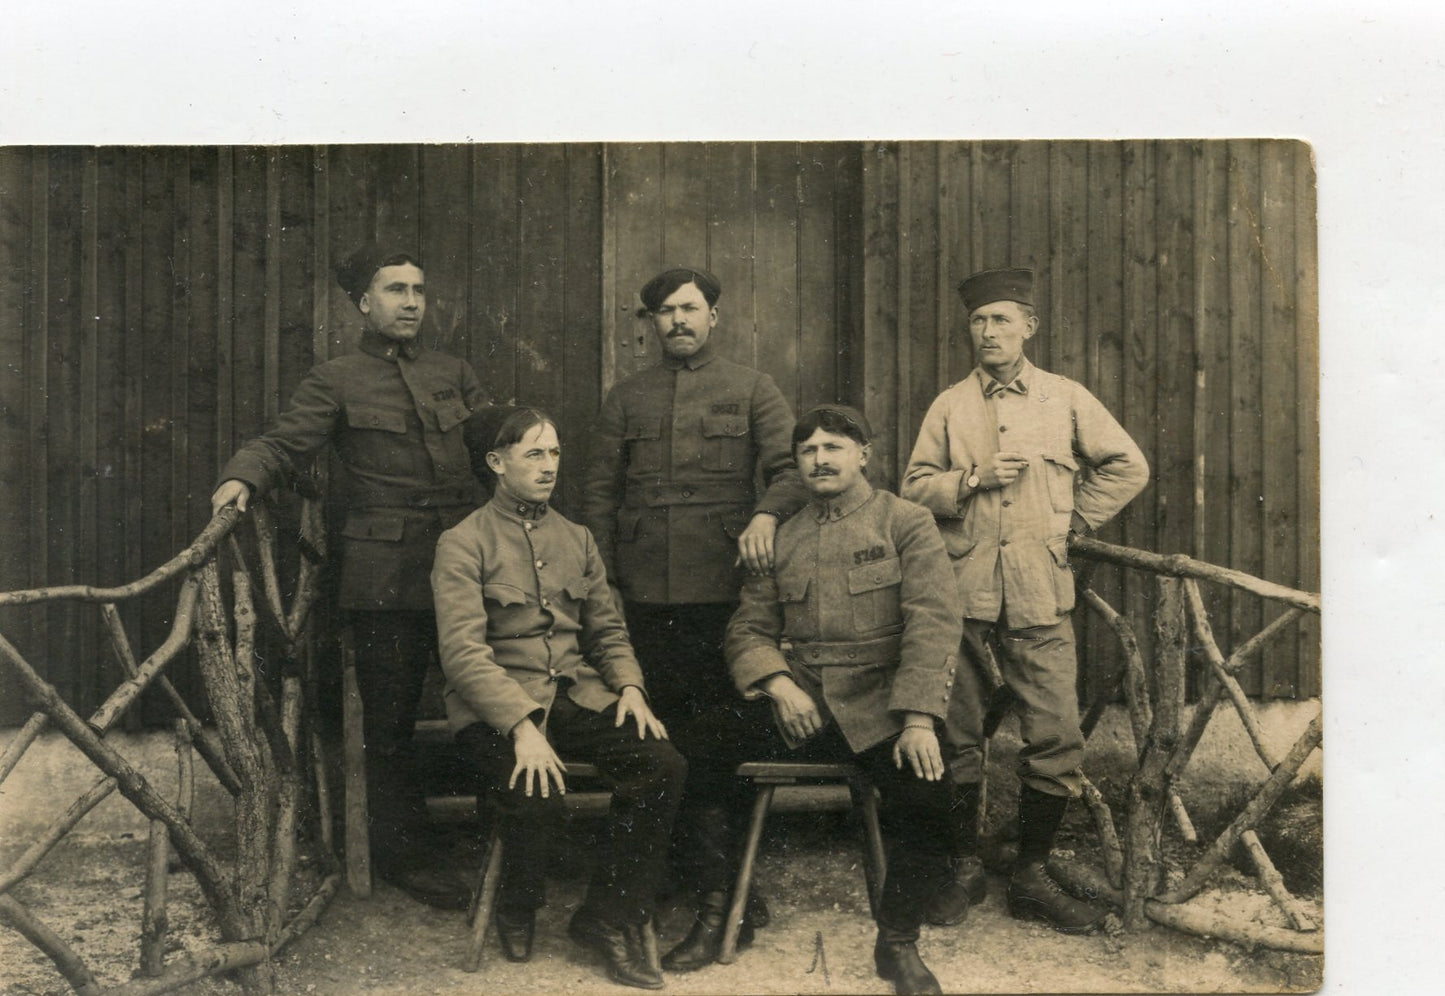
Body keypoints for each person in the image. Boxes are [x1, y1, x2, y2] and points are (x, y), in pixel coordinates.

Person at [210, 245, 484, 909]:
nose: (410, 301)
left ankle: (508, 829)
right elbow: (283, 442)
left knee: (495, 693)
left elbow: (498, 445)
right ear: (364, 303)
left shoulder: (454, 373)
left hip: (467, 565)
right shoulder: (336, 379)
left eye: (418, 289)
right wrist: (241, 476)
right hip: (385, 572)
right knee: (388, 721)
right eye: (394, 290)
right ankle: (404, 853)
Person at [902, 267, 1149, 934]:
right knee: (955, 739)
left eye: (1001, 320)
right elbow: (913, 488)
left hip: (1040, 597)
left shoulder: (1065, 399)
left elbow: (1127, 465)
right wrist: (973, 478)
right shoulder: (951, 406)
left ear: (1028, 327)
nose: (987, 332)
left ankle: (1032, 874)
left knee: (1055, 738)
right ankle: (960, 866)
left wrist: (1074, 522)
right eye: (978, 322)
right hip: (964, 599)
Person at [582, 265, 809, 967]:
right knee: (664, 744)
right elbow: (598, 497)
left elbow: (792, 469)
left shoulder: (751, 388)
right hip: (645, 602)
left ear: (713, 316)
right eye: (664, 312)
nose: (678, 321)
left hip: (724, 598)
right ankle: (689, 877)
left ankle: (726, 891)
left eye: (690, 308)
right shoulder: (627, 398)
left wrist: (767, 516)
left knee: (714, 748)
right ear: (650, 324)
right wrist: (604, 586)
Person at [432, 406, 686, 991]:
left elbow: (607, 632)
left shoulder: (577, 538)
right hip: (495, 705)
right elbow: (465, 654)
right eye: (534, 454)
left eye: (554, 453)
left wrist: (629, 688)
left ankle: (606, 916)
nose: (549, 467)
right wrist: (522, 728)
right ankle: (517, 904)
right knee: (535, 793)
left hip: (574, 694)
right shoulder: (463, 543)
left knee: (661, 762)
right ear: (497, 463)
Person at [724, 404, 963, 995]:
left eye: (834, 447)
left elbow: (933, 621)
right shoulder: (783, 535)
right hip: (800, 707)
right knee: (701, 757)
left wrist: (917, 719)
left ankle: (898, 940)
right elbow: (747, 630)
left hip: (881, 705)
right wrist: (778, 684)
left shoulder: (904, 521)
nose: (821, 459)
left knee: (931, 794)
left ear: (863, 456)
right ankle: (720, 909)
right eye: (808, 450)